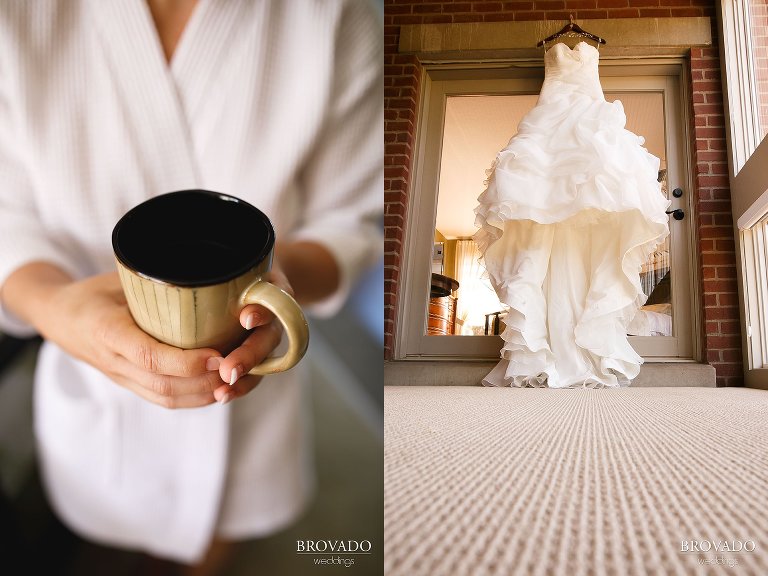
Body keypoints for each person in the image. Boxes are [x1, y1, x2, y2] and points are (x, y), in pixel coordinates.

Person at [0, 0, 382, 574]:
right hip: (92, 384)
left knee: (216, 544)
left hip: (247, 392)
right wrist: (57, 310)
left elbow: (348, 223)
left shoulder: (331, 14)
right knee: (105, 535)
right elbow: (8, 220)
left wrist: (276, 284)